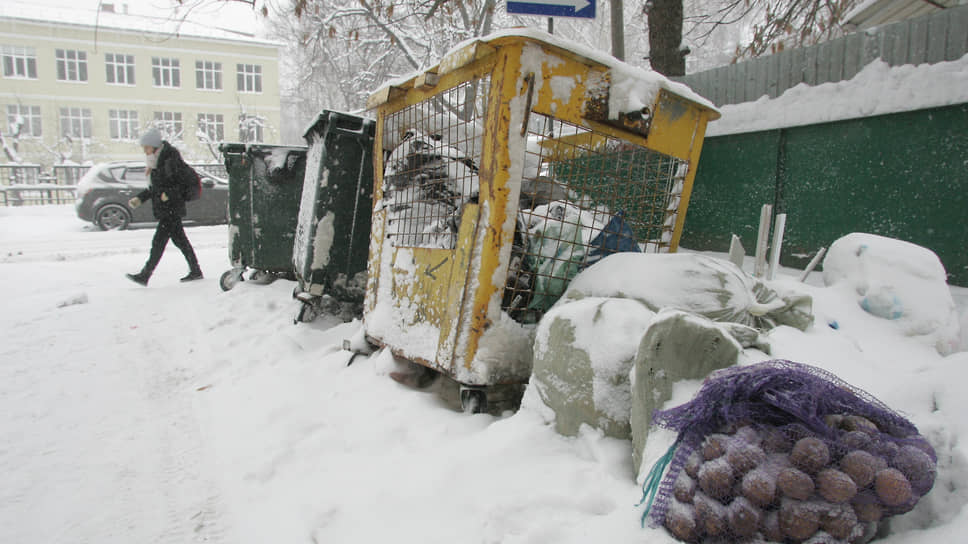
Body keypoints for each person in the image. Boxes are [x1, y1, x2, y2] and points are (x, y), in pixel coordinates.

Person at [125, 128, 203, 286]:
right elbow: (156, 188)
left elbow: (178, 183)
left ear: (154, 146)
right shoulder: (157, 160)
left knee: (158, 243)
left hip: (171, 209)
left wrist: (169, 194)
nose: (145, 151)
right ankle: (196, 271)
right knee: (181, 242)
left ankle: (145, 275)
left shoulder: (169, 159)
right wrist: (140, 199)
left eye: (146, 147)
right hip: (167, 208)